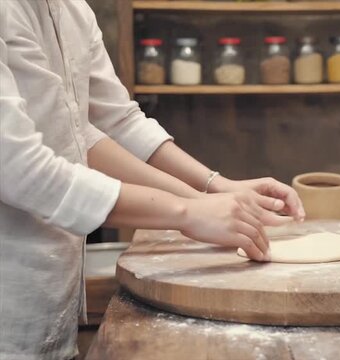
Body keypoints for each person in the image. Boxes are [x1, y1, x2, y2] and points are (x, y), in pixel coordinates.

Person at [0, 1, 305, 358]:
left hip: (49, 309)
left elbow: (93, 128)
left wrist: (212, 189)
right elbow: (21, 170)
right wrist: (185, 213)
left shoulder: (71, 9)